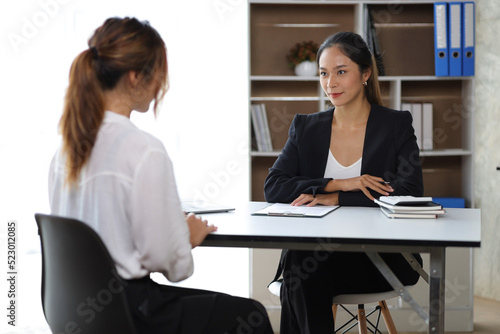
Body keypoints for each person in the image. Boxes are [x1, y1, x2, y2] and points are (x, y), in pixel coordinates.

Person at [49, 17, 273, 334]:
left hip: (74, 311)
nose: (160, 85)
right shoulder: (144, 150)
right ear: (135, 77)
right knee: (251, 315)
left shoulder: (66, 152)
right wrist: (185, 237)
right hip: (131, 313)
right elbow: (173, 266)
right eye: (158, 74)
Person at [264, 31, 424, 334]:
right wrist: (339, 184)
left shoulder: (395, 125)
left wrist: (333, 199)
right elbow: (274, 186)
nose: (330, 83)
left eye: (341, 72)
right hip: (314, 257)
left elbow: (409, 191)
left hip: (377, 260)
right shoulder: (305, 127)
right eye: (324, 73)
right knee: (302, 264)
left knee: (299, 277)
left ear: (365, 73)